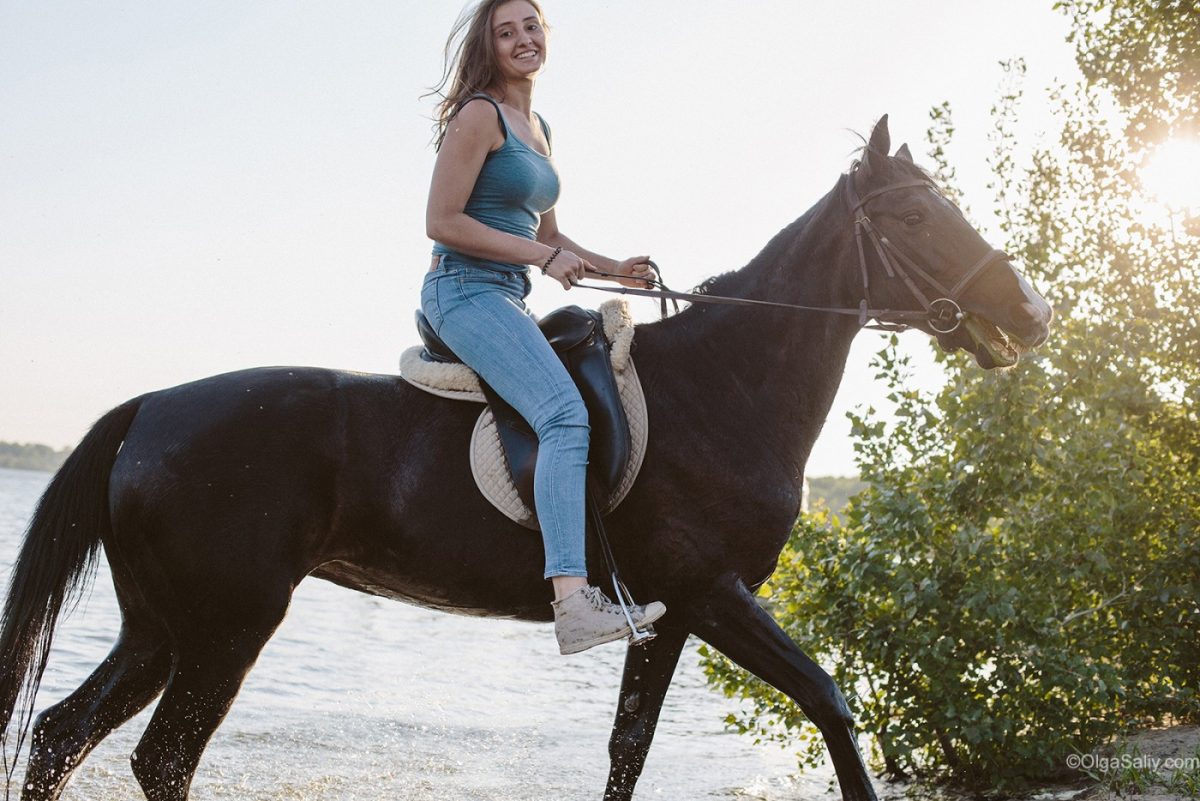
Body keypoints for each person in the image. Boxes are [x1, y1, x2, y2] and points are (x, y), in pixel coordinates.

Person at [422, 0, 666, 654]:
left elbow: (549, 234)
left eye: (531, 26)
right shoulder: (480, 115)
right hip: (464, 291)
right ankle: (573, 601)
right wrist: (541, 257)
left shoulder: (539, 126)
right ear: (491, 47)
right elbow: (442, 221)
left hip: (508, 293)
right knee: (563, 414)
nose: (522, 39)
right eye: (507, 32)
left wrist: (617, 268)